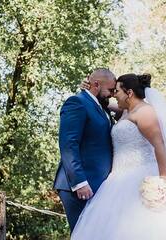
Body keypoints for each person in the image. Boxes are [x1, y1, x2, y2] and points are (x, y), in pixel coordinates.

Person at [71, 73, 166, 239]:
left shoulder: (144, 112)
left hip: (139, 177)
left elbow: (159, 146)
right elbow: (101, 105)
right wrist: (90, 91)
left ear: (129, 93)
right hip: (118, 179)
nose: (113, 95)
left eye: (117, 91)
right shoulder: (126, 111)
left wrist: (163, 181)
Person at [53, 68, 116, 232]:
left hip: (98, 184)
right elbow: (68, 144)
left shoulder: (101, 107)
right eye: (110, 90)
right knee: (84, 234)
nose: (112, 94)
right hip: (79, 186)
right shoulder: (77, 102)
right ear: (96, 84)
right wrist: (79, 182)